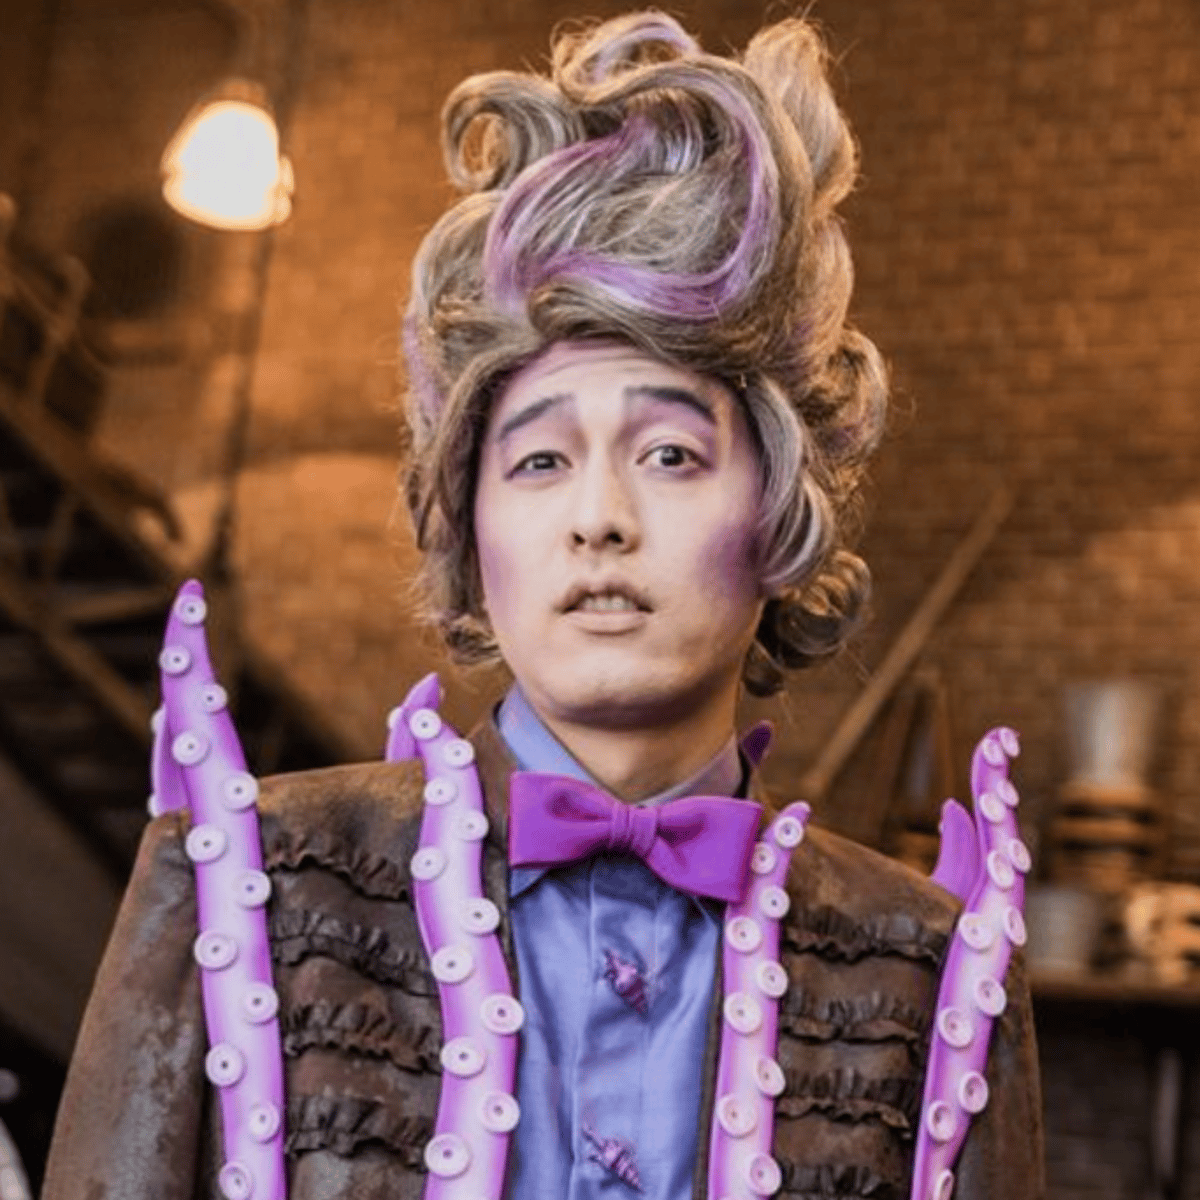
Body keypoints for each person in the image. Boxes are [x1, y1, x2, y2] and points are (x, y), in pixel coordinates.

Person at [42, 11, 1043, 1200]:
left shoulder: (934, 969)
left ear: (780, 513)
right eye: (539, 461)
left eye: (671, 456)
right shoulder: (240, 883)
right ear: (472, 530)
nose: (599, 518)